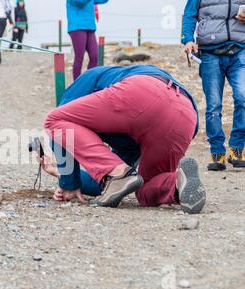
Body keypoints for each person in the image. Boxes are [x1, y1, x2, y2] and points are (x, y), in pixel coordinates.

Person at [43, 65, 207, 214]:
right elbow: (110, 181)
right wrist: (56, 171)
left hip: (141, 92)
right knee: (144, 190)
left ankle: (120, 174)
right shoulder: (123, 144)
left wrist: (68, 182)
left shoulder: (89, 78)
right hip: (186, 117)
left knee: (55, 121)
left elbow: (62, 132)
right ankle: (177, 183)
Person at [182, 0, 245, 171]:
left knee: (243, 97)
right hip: (210, 53)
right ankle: (217, 153)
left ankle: (237, 149)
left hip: (240, 49)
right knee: (214, 106)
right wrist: (187, 39)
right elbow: (189, 15)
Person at [67, 0, 109, 81]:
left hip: (90, 27)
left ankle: (88, 81)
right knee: (79, 57)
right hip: (77, 27)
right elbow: (80, 3)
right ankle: (77, 84)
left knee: (95, 55)